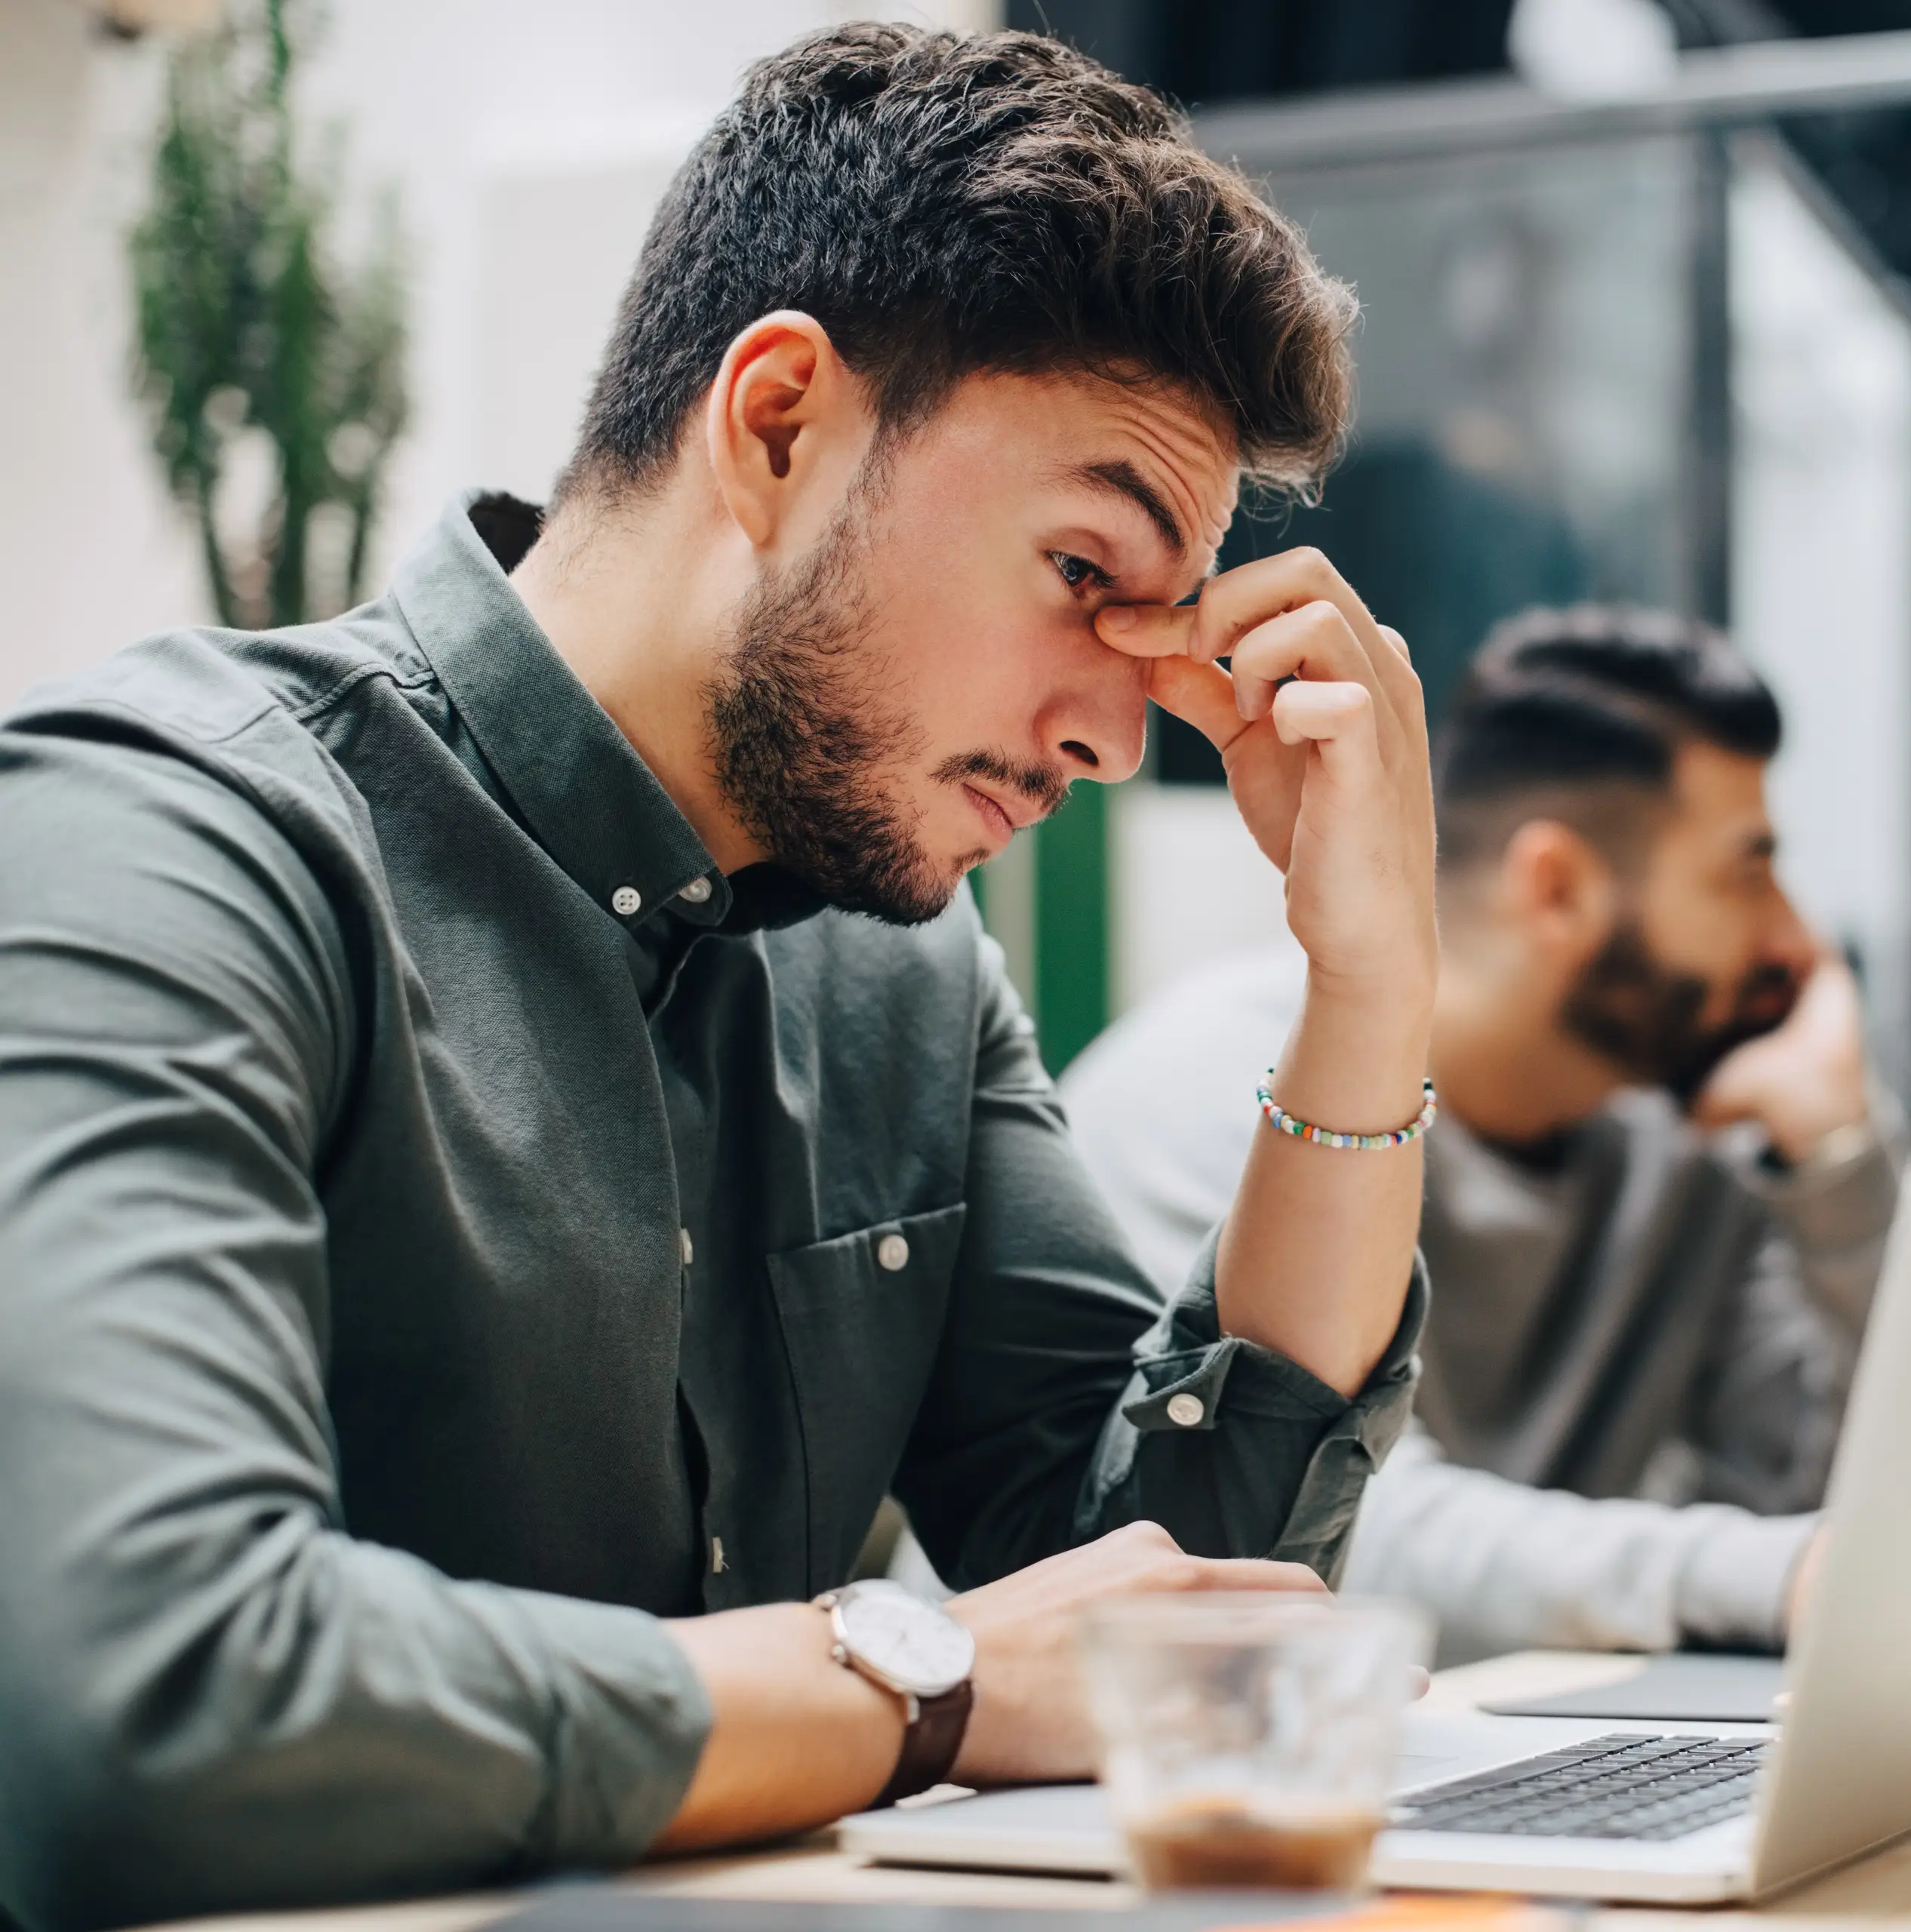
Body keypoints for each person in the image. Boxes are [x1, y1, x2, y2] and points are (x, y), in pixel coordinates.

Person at [0, 30, 1442, 1930]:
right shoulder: (165, 836)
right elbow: (151, 1695)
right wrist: (907, 1674)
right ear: (776, 424)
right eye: (1084, 567)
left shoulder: (902, 953)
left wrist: (1368, 982)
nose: (1119, 730)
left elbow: (1168, 1608)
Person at [1072, 608, 1911, 1663]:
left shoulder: (1686, 1146)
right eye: (1747, 869)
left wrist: (1835, 1162)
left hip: (1495, 1753)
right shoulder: (1214, 1096)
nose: (1794, 937)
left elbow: (1835, 1494)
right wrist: (1780, 1580)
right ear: (1559, 889)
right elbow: (1314, 1536)